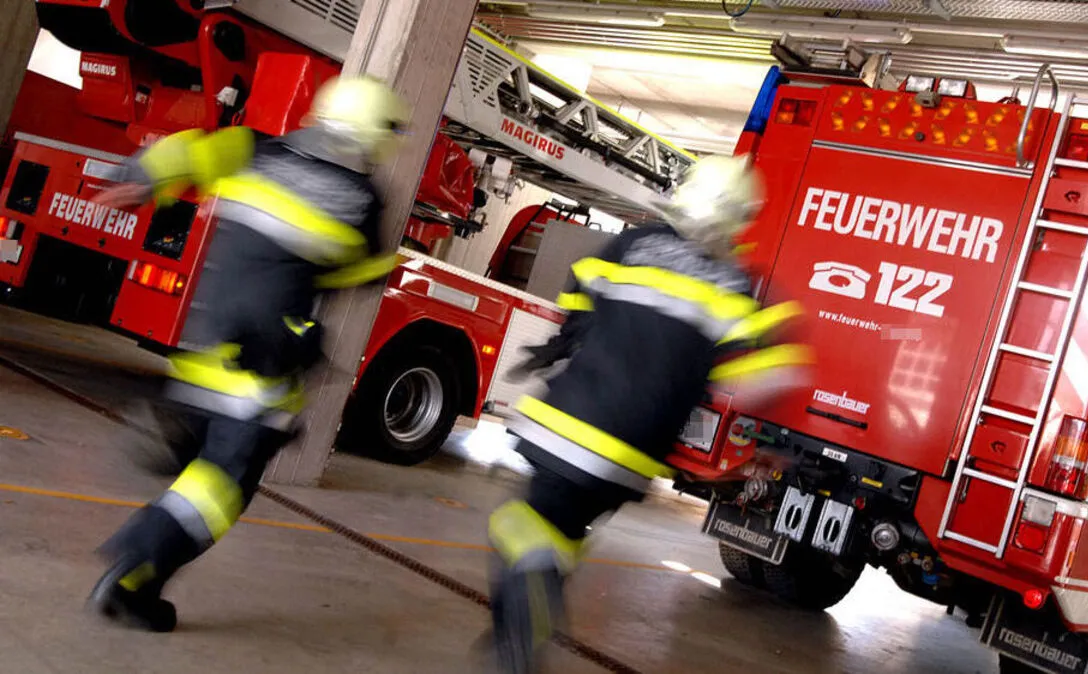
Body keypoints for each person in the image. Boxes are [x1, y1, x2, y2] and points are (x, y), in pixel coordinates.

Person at [85, 75, 411, 632]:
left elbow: (187, 148)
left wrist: (137, 176)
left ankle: (177, 447)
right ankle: (134, 565)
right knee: (225, 483)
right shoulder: (362, 196)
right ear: (372, 135)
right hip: (267, 358)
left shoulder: (257, 148)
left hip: (204, 339)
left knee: (210, 457)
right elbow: (364, 271)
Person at [487, 154, 814, 673]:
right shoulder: (738, 284)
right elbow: (771, 377)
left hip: (566, 424)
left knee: (522, 528)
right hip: (634, 454)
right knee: (563, 535)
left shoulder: (631, 244)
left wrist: (570, 342)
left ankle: (515, 647)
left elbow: (573, 303)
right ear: (740, 218)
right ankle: (525, 629)